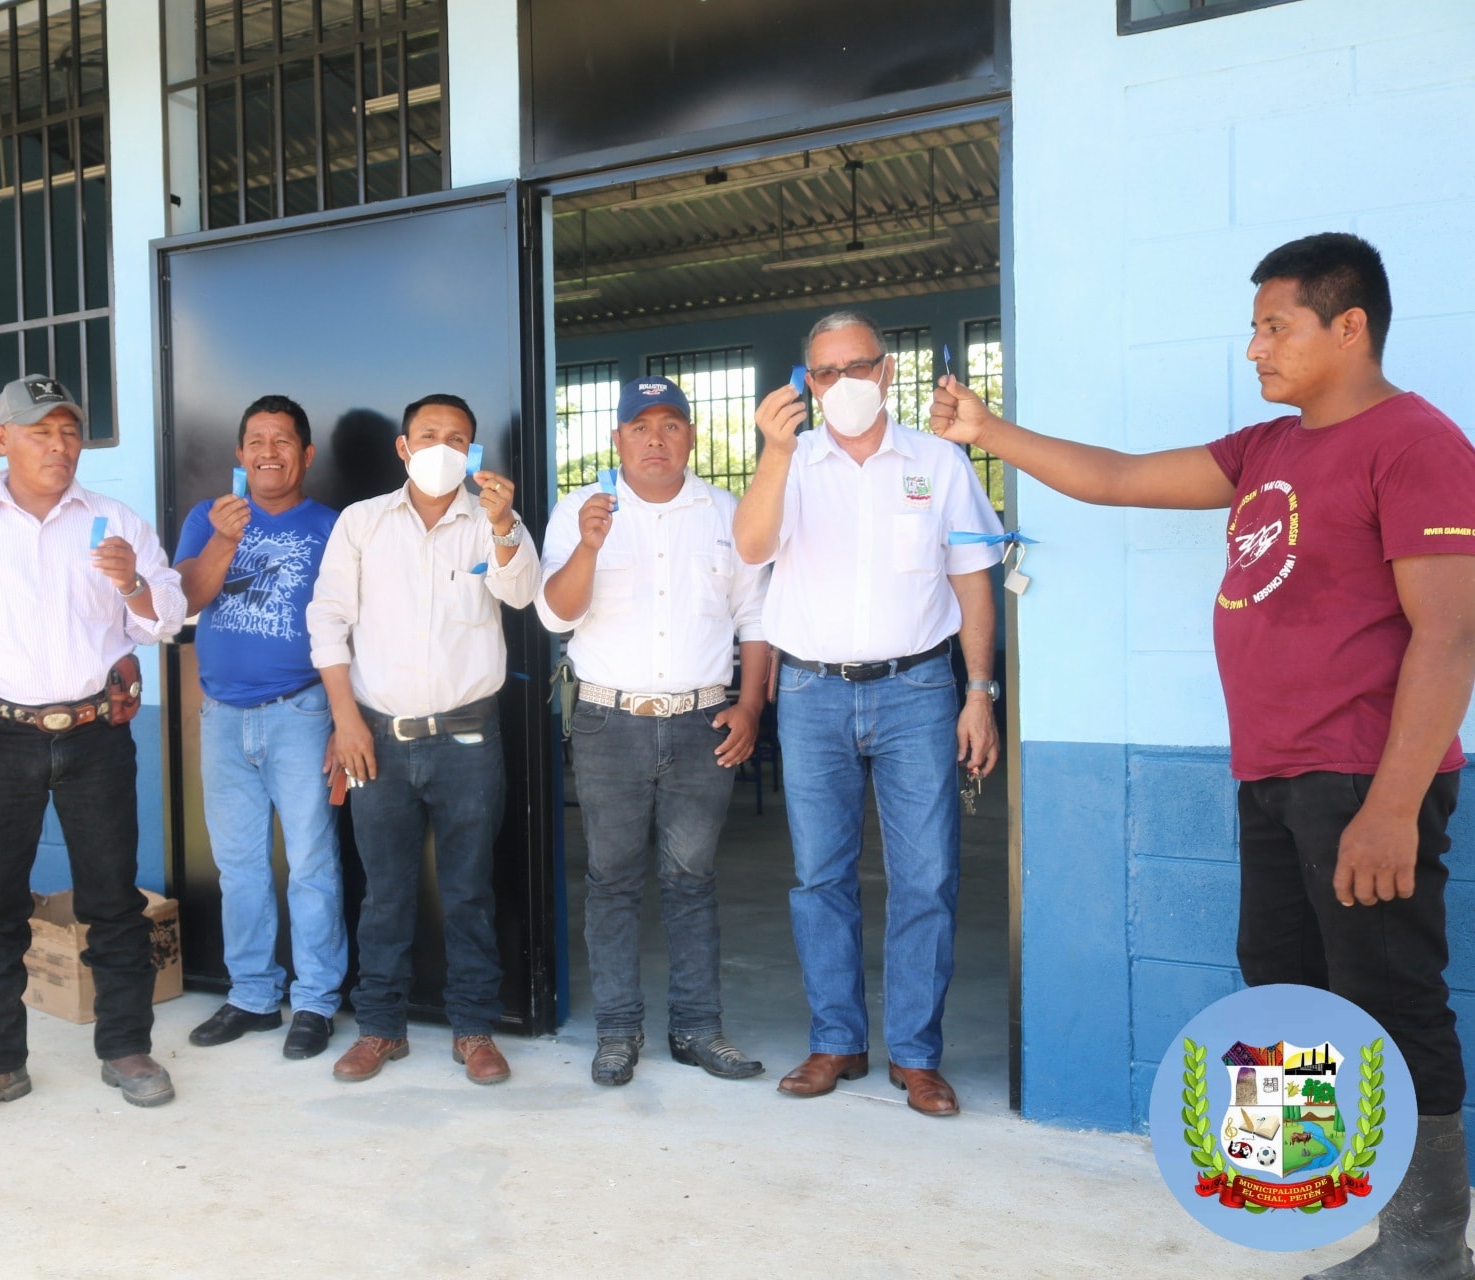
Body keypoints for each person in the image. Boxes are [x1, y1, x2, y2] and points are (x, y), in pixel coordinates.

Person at [931, 233, 1475, 1279]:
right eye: (1256, 325)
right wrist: (989, 428)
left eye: (1277, 325)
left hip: (1364, 779)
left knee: (1392, 993)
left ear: (1349, 325)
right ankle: (1321, 1185)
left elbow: (1449, 635)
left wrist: (1395, 805)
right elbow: (1122, 477)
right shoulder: (1267, 449)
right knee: (1285, 984)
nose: (1255, 346)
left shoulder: (1416, 442)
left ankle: (1425, 1244)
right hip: (1271, 775)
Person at [0, 374, 188, 1127]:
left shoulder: (113, 521)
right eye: (39, 431)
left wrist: (134, 588)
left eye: (69, 431)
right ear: (1, 439)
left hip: (95, 734)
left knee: (112, 902)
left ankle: (126, 1048)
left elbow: (167, 619)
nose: (59, 445)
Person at [733, 312, 1003, 1118]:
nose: (842, 384)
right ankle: (836, 1040)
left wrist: (979, 692)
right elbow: (750, 548)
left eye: (858, 367)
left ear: (886, 372)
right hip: (812, 693)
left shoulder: (939, 461)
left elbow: (972, 581)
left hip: (918, 689)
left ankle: (916, 1055)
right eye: (824, 373)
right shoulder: (791, 462)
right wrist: (777, 453)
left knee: (927, 875)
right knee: (822, 877)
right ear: (804, 384)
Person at [537, 376, 771, 1087]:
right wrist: (587, 547)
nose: (656, 439)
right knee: (611, 881)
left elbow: (755, 621)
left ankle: (698, 1029)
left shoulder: (726, 513)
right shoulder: (582, 509)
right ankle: (617, 1031)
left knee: (691, 880)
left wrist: (752, 705)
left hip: (703, 724)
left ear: (691, 437)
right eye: (640, 427)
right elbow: (555, 614)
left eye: (671, 425)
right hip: (611, 723)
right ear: (618, 439)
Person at [306, 393, 539, 1085]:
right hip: (378, 736)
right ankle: (381, 1027)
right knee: (385, 892)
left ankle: (474, 1029)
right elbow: (328, 621)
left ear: (472, 452)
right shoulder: (363, 523)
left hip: (469, 740)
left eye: (457, 437)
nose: (442, 446)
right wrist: (345, 721)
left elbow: (524, 594)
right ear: (404, 448)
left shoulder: (494, 521)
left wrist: (502, 525)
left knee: (469, 890)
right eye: (429, 435)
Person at [174, 395, 345, 1061]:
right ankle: (251, 994)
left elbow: (350, 628)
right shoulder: (208, 517)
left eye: (281, 441)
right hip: (221, 718)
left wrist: (342, 721)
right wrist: (224, 537)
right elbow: (188, 599)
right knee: (239, 866)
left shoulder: (333, 527)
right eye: (255, 440)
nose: (267, 451)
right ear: (239, 455)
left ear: (306, 455)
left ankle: (316, 1001)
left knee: (311, 864)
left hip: (302, 713)